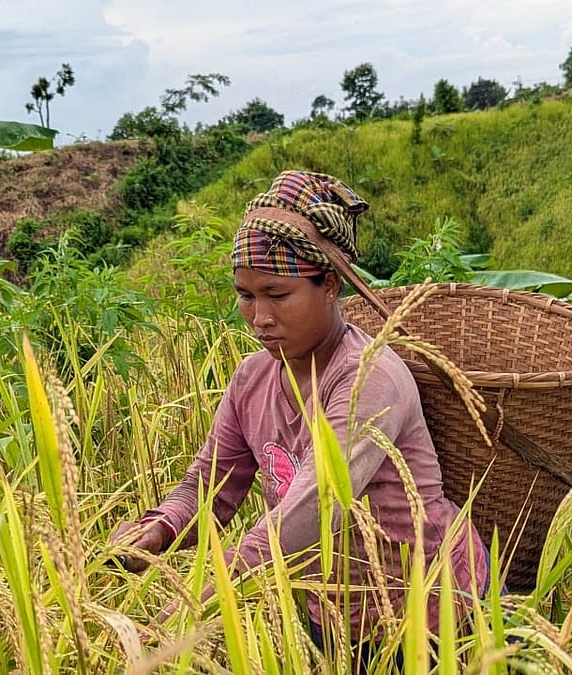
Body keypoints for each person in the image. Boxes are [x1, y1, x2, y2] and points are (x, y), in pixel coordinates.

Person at [108, 170, 489, 664]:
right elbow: (209, 484)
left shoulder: (368, 378)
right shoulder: (252, 379)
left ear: (329, 285)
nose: (259, 316)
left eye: (277, 294)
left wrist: (207, 591)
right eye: (245, 295)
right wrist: (157, 530)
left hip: (431, 611)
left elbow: (317, 504)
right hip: (329, 613)